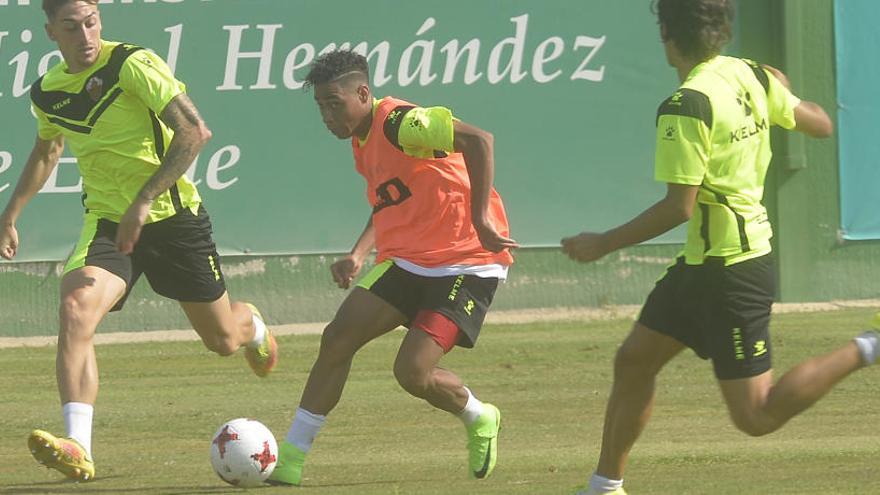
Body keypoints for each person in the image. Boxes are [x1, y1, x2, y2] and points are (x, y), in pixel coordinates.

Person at [561, 1, 877, 494]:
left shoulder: (687, 105)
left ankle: (869, 346)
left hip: (733, 272)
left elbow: (677, 208)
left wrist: (603, 243)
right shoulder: (750, 74)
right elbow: (820, 123)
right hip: (701, 266)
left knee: (756, 415)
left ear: (667, 33)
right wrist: (782, 90)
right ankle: (606, 486)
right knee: (635, 359)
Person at [0, 0, 279, 482]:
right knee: (75, 308)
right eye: (71, 27)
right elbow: (48, 150)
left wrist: (145, 200)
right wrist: (10, 214)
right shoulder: (47, 93)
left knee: (222, 341)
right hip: (109, 222)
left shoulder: (131, 64)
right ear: (51, 33)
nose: (85, 35)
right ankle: (78, 446)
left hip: (173, 218)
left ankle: (250, 324)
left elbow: (195, 132)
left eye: (91, 23)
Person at [266, 49, 518, 486]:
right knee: (337, 338)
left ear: (363, 93)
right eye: (320, 107)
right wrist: (360, 251)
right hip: (408, 261)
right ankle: (290, 457)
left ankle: (479, 415)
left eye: (334, 103)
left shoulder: (401, 122)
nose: (327, 116)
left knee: (412, 373)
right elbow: (392, 198)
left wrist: (481, 218)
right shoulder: (362, 142)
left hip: (467, 262)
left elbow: (480, 140)